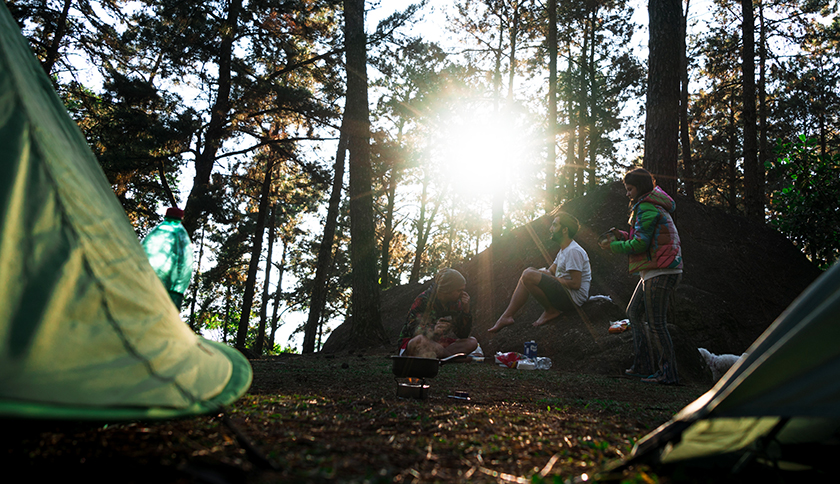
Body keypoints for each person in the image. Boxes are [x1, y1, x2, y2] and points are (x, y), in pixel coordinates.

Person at [600, 168, 683, 385]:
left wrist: (614, 247)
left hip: (661, 270)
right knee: (634, 313)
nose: (627, 193)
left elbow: (640, 244)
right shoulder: (647, 206)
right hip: (655, 270)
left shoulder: (646, 207)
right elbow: (644, 236)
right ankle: (643, 365)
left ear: (640, 187)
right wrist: (621, 236)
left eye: (630, 189)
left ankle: (668, 373)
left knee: (656, 323)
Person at [488, 211, 591, 333]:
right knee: (528, 272)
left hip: (573, 299)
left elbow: (575, 284)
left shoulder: (573, 251)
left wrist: (546, 277)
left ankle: (551, 310)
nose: (550, 228)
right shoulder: (564, 250)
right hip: (565, 293)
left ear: (565, 230)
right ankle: (507, 316)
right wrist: (540, 273)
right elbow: (551, 271)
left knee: (528, 275)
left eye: (554, 225)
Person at [397, 268, 479, 358]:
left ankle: (444, 356)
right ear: (447, 289)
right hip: (416, 343)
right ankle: (454, 358)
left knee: (472, 342)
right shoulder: (423, 300)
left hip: (438, 344)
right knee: (419, 341)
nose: (462, 293)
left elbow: (463, 335)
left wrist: (466, 311)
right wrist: (433, 329)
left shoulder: (456, 303)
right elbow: (412, 329)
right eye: (459, 290)